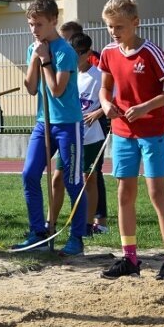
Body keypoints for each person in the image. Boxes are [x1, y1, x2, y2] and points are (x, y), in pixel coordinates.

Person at [98, 0, 164, 280]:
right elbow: (105, 88)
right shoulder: (109, 53)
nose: (114, 32)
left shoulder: (151, 53)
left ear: (135, 23)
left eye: (119, 26)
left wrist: (146, 106)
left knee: (157, 193)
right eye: (110, 26)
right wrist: (107, 105)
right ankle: (130, 258)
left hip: (151, 133)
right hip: (123, 133)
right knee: (125, 193)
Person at [12, 0, 87, 256]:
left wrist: (45, 60)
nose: (34, 30)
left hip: (68, 124)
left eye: (39, 24)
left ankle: (77, 237)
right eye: (31, 24)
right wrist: (35, 59)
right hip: (43, 123)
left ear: (54, 21)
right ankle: (38, 233)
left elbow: (56, 90)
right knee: (29, 174)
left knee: (72, 180)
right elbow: (32, 88)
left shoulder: (65, 51)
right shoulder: (35, 49)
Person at [50, 33, 106, 238]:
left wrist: (99, 111)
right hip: (69, 134)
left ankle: (87, 225)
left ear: (88, 53)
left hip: (91, 136)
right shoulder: (66, 72)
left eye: (79, 54)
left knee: (88, 178)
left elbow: (114, 98)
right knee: (58, 178)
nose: (75, 57)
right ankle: (51, 223)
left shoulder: (99, 76)